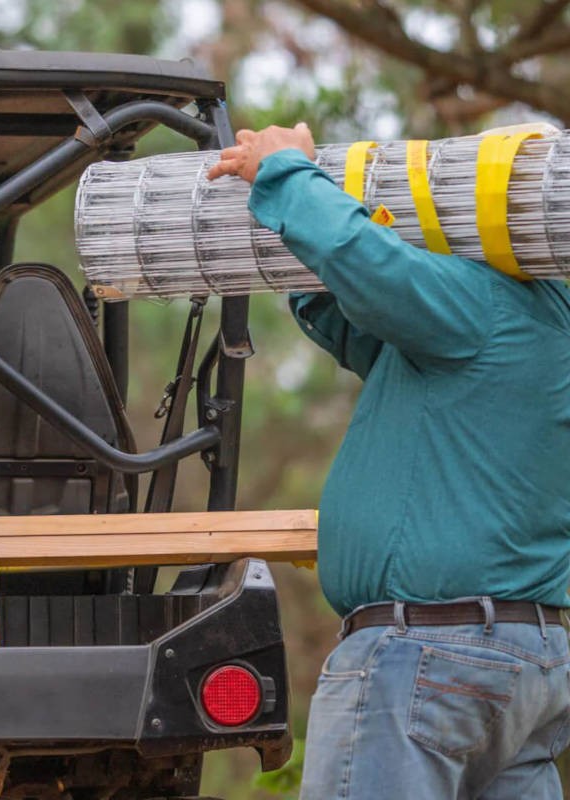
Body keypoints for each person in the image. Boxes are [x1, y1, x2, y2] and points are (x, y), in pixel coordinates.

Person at [208, 124, 570, 799]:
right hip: (525, 659)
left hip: (428, 656)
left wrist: (288, 171)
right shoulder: (538, 327)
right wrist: (315, 215)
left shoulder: (488, 305)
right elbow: (357, 310)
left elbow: (366, 263)